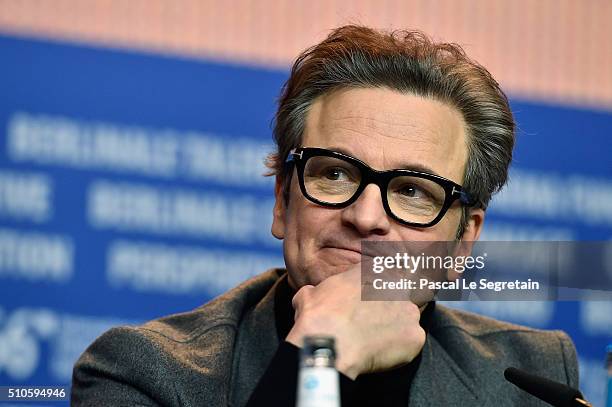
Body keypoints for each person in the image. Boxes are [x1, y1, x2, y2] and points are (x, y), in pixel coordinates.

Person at [71, 25, 579, 406]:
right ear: (282, 200)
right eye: (334, 174)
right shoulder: (141, 374)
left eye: (412, 191)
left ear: (463, 242)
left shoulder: (533, 379)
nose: (364, 215)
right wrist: (320, 359)